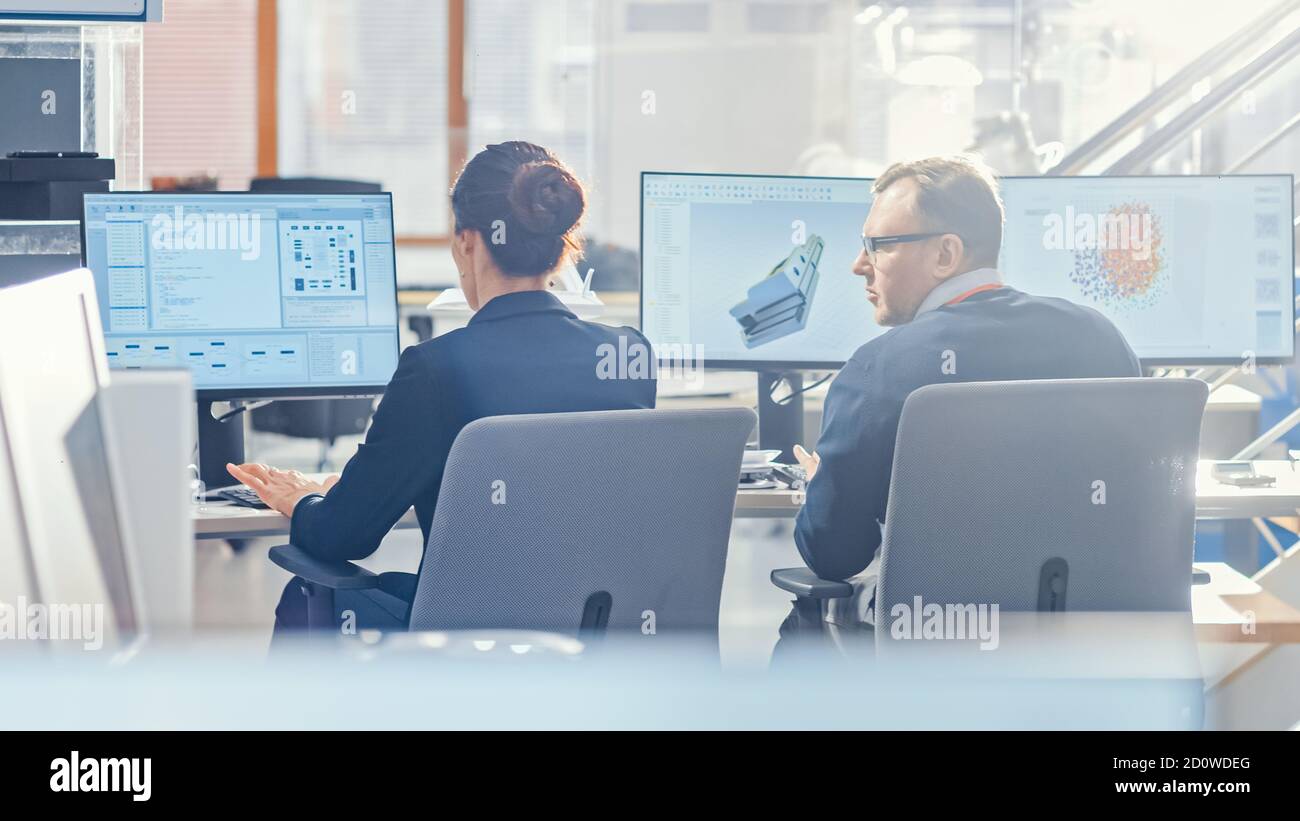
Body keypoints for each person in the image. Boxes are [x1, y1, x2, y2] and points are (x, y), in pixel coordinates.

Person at [228, 142, 656, 638]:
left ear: (467, 243)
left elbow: (344, 536)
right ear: (562, 247)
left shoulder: (436, 368)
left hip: (470, 642)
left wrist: (304, 500)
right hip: (598, 638)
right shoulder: (629, 358)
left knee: (306, 595)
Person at [781, 155, 1141, 641]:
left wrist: (821, 484)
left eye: (879, 246)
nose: (858, 265)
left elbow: (833, 554)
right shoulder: (1101, 338)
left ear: (946, 255)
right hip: (1086, 647)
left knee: (806, 622)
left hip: (934, 652)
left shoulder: (876, 370)